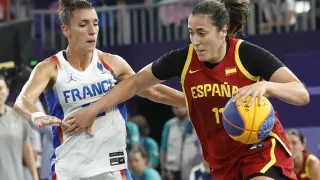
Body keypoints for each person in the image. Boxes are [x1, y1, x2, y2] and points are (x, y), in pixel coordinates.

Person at [63, 0, 310, 179]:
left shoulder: (247, 55)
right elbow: (136, 85)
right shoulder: (182, 60)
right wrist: (92, 111)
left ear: (223, 31)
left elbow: (301, 93)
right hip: (221, 159)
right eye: (191, 33)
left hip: (261, 148)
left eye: (202, 33)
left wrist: (267, 85)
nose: (196, 41)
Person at [13, 0, 185, 179]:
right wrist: (36, 115)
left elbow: (153, 91)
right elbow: (22, 101)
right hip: (70, 169)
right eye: (83, 24)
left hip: (111, 167)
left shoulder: (112, 63)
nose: (92, 30)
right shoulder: (50, 67)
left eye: (95, 23)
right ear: (66, 30)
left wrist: (192, 101)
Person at [0, 75, 38, 180]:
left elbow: (27, 149)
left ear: (7, 91)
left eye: (1, 88)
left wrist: (35, 176)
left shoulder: (18, 117)